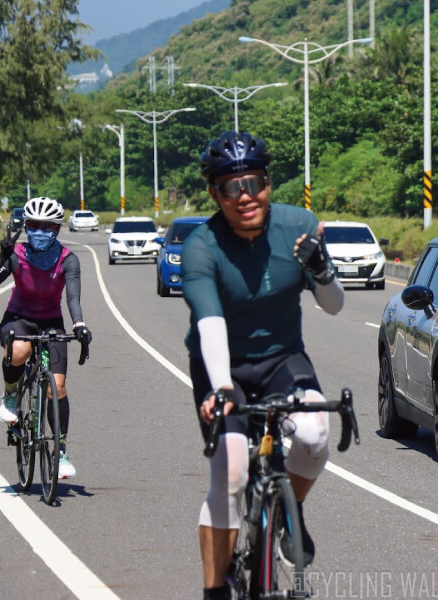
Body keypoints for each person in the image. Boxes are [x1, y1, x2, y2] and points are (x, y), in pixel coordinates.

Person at [182, 131, 344, 600]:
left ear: (269, 182)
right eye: (232, 188)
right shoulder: (202, 246)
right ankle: (216, 590)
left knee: (314, 437)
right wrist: (221, 389)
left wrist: (322, 271)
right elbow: (209, 321)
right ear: (215, 194)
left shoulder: (299, 225)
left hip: (282, 358)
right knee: (230, 474)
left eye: (256, 182)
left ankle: (290, 512)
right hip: (221, 366)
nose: (246, 196)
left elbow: (334, 306)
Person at [0, 197, 92, 480]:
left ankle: (61, 452)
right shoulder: (16, 254)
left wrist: (79, 325)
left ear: (57, 229)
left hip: (51, 322)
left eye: (46, 226)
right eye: (34, 226)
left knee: (59, 387)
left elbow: (73, 298)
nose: (40, 231)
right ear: (26, 227)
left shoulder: (68, 260)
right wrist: (3, 258)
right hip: (18, 318)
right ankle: (11, 396)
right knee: (19, 350)